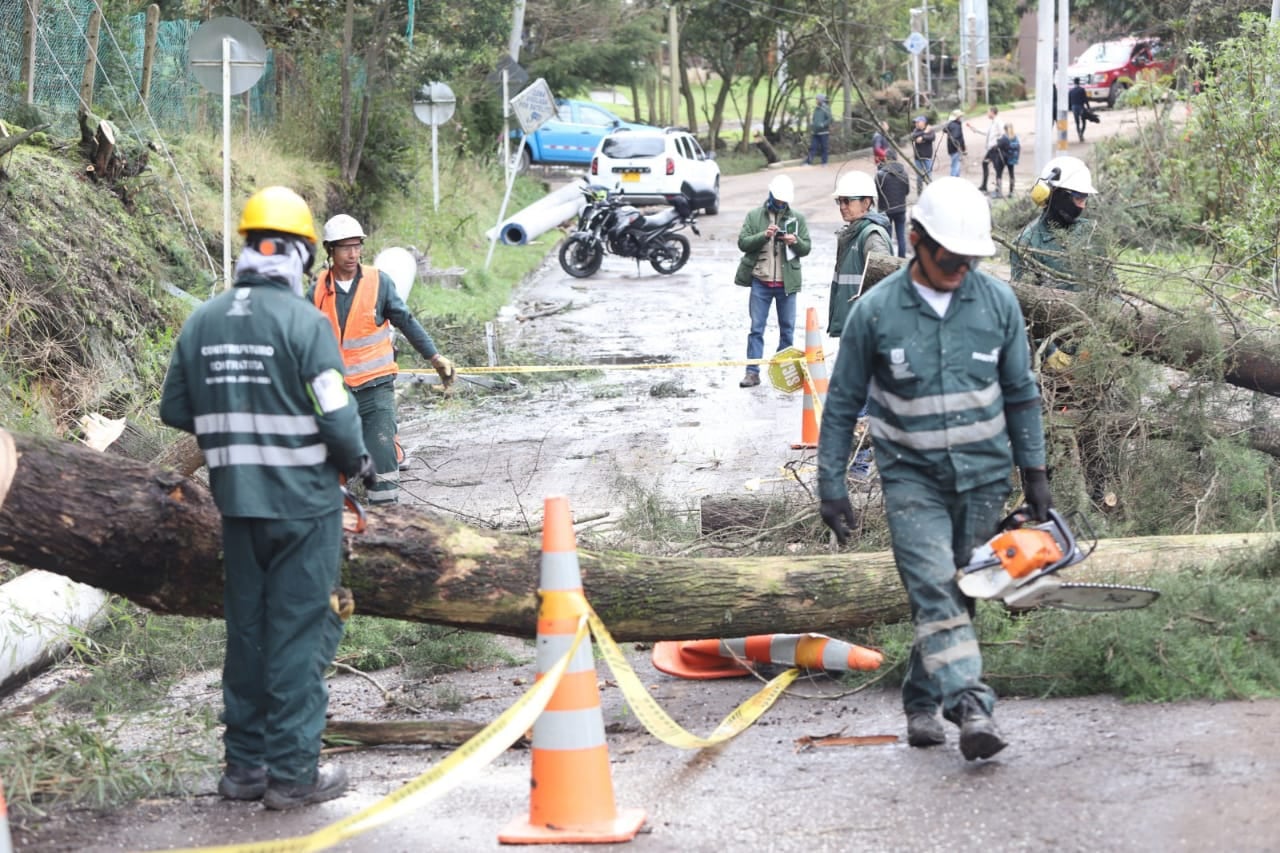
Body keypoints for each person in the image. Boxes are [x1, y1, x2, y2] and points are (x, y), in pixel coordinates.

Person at [816, 176, 1050, 761]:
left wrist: (1036, 474)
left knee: (958, 594)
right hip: (911, 481)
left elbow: (1020, 393)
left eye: (969, 258)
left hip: (983, 477)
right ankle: (971, 704)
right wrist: (831, 484)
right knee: (934, 587)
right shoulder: (875, 313)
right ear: (916, 239)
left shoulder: (996, 303)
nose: (958, 268)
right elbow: (842, 404)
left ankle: (921, 699)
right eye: (949, 255)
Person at [159, 186, 374, 809]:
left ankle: (243, 770)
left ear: (248, 248)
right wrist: (354, 459)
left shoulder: (203, 319)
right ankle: (292, 777)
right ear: (304, 254)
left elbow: (175, 408)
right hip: (305, 510)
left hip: (237, 506)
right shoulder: (305, 322)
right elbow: (338, 419)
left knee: (247, 637)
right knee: (299, 637)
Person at [308, 214, 455, 504]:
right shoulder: (316, 292)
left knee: (382, 451)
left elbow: (406, 321)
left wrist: (435, 358)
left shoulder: (378, 283)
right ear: (330, 250)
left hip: (375, 389)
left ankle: (388, 517)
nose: (352, 254)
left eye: (356, 246)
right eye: (344, 247)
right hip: (333, 393)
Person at [734, 174, 812, 388]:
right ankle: (752, 372)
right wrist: (764, 235)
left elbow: (806, 248)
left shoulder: (797, 218)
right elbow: (743, 243)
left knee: (787, 330)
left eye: (783, 201)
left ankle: (784, 371)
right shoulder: (754, 216)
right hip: (761, 281)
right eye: (777, 200)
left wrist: (794, 241)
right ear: (770, 195)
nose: (780, 204)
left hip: (787, 284)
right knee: (756, 329)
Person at [1009, 155, 1098, 292]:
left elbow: (1110, 285)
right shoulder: (1027, 244)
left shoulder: (1089, 231)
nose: (1083, 206)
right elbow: (1025, 300)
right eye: (1079, 198)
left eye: (1085, 199)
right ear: (1058, 195)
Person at [828, 170, 891, 337]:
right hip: (853, 325)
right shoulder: (852, 234)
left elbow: (885, 286)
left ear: (866, 202)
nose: (842, 207)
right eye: (839, 201)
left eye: (847, 201)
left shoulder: (871, 236)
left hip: (864, 330)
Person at [874, 149, 910, 258]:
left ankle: (889, 259)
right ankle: (902, 260)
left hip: (886, 209)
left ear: (886, 158)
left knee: (887, 237)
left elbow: (877, 191)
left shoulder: (880, 175)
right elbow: (907, 191)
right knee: (901, 237)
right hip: (900, 208)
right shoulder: (904, 173)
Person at [967, 106, 1001, 195]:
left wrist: (998, 145)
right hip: (991, 150)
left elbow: (1002, 134)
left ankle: (998, 189)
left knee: (997, 168)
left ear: (992, 112)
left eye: (988, 112)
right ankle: (984, 186)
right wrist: (975, 129)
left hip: (995, 149)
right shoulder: (993, 122)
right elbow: (988, 132)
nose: (987, 114)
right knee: (984, 163)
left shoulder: (998, 122)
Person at [909, 115, 936, 195]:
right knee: (919, 177)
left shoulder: (930, 129)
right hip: (918, 157)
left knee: (929, 175)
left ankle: (930, 193)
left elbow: (932, 137)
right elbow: (913, 136)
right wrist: (924, 133)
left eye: (918, 122)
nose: (916, 124)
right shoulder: (916, 130)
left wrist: (922, 138)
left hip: (927, 157)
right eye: (915, 122)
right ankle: (919, 193)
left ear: (923, 122)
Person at [806, 94, 834, 166]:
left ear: (821, 100)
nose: (816, 101)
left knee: (824, 147)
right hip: (815, 132)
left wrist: (823, 124)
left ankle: (824, 162)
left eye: (817, 99)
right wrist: (813, 125)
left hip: (824, 132)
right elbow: (814, 118)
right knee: (813, 147)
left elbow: (830, 119)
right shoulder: (816, 108)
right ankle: (808, 162)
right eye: (816, 99)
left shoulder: (826, 108)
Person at [996, 122, 1021, 197]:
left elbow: (998, 146)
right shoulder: (1015, 137)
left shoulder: (1004, 138)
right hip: (1012, 159)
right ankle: (1011, 192)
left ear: (1005, 129)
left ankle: (999, 192)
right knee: (1011, 175)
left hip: (1003, 159)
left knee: (999, 174)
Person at [944, 108, 966, 177]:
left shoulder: (951, 124)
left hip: (952, 148)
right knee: (955, 166)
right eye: (960, 116)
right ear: (957, 117)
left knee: (956, 166)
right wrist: (960, 147)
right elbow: (956, 137)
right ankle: (953, 181)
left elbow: (945, 130)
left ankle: (957, 181)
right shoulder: (956, 126)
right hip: (955, 149)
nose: (961, 117)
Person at [1069, 78, 1088, 142]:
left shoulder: (1071, 91)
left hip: (1074, 108)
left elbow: (1069, 101)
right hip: (1081, 107)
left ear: (1074, 83)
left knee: (1077, 123)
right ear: (1079, 82)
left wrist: (1069, 108)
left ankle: (1079, 134)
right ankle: (1081, 133)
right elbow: (1085, 100)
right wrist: (1088, 107)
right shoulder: (1082, 90)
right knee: (1084, 122)